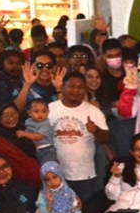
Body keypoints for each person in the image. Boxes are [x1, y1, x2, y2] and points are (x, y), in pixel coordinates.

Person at [47, 71, 109, 202]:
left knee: (84, 210)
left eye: (80, 87)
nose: (76, 91)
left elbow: (105, 138)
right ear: (62, 87)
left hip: (84, 175)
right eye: (71, 86)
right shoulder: (50, 109)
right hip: (55, 175)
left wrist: (96, 130)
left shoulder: (93, 111)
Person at [22, 99, 56, 165]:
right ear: (29, 113)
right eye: (36, 112)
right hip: (35, 150)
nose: (40, 114)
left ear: (48, 112)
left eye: (44, 111)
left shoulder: (47, 123)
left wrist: (24, 134)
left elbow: (38, 137)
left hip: (47, 149)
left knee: (47, 166)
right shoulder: (28, 121)